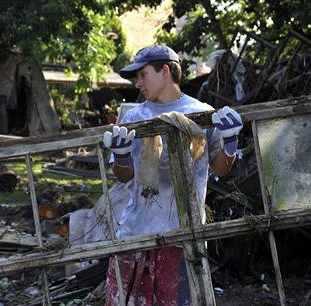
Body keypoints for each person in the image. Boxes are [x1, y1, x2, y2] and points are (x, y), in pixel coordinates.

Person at [103, 45, 243, 305]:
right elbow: (124, 176)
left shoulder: (201, 114)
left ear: (165, 71)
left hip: (183, 238)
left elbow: (221, 169)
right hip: (135, 234)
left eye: (142, 75)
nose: (138, 83)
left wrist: (230, 143)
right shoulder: (134, 117)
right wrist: (121, 156)